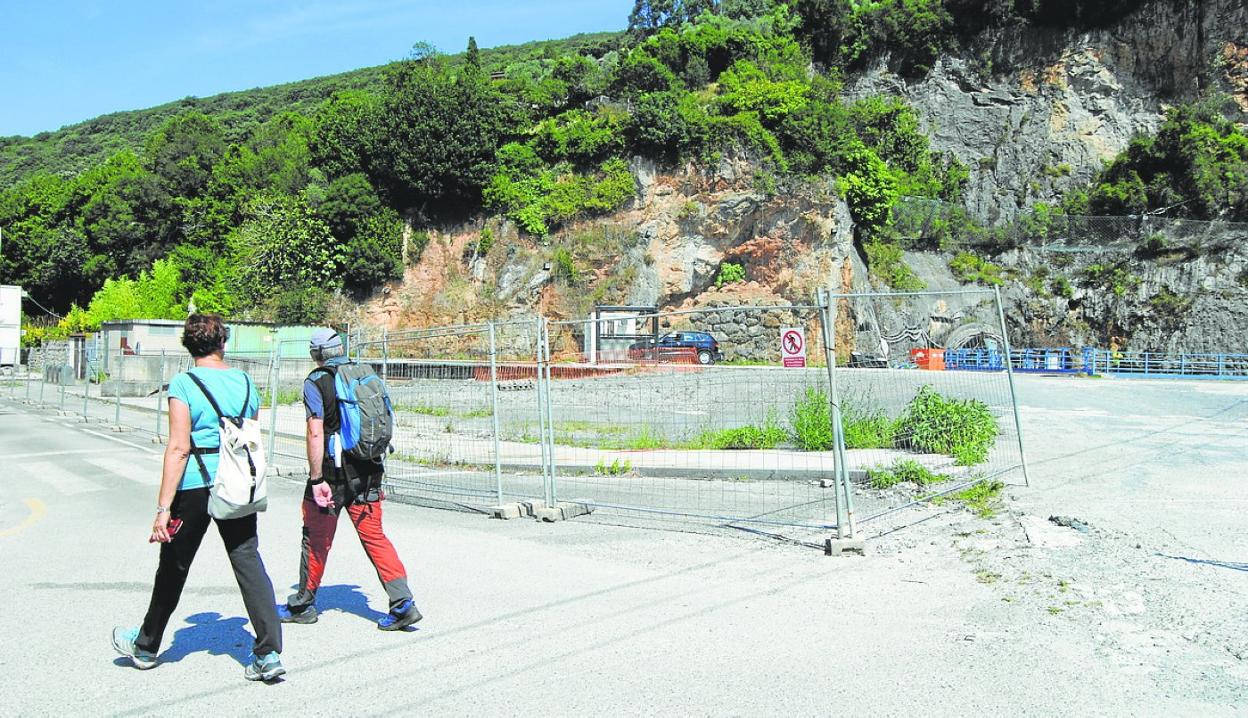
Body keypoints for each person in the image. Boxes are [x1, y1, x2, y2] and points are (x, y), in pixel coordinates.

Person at [112, 314, 284, 681]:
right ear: (224, 342)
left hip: (195, 482)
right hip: (236, 480)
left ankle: (145, 645)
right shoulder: (245, 381)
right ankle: (268, 653)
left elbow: (177, 448)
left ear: (189, 347)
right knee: (248, 560)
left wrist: (162, 509)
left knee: (173, 565)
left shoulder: (184, 383)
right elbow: (246, 431)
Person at [277, 328, 421, 631]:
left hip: (333, 473)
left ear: (315, 354)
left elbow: (316, 431)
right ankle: (403, 603)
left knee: (315, 538)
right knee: (374, 536)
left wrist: (317, 479)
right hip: (369, 468)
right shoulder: (364, 372)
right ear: (341, 348)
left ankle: (303, 604)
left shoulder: (316, 381)